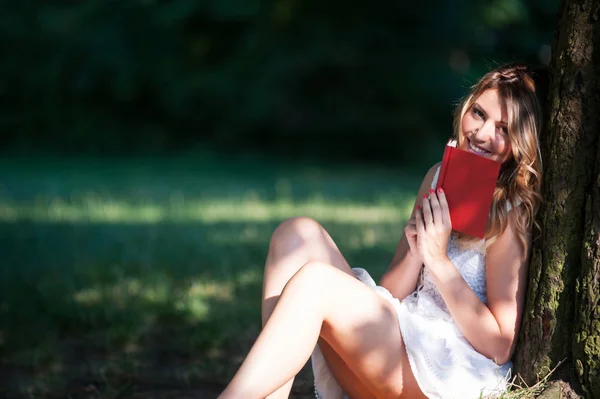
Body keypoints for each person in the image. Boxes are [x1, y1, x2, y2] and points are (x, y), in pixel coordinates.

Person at [218, 63, 544, 399]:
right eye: (478, 113)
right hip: (397, 337)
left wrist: (438, 260)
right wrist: (419, 249)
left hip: (443, 371)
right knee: (295, 233)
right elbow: (392, 293)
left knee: (316, 282)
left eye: (503, 129)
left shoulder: (510, 213)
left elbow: (501, 345)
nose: (482, 133)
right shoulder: (437, 176)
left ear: (520, 142)